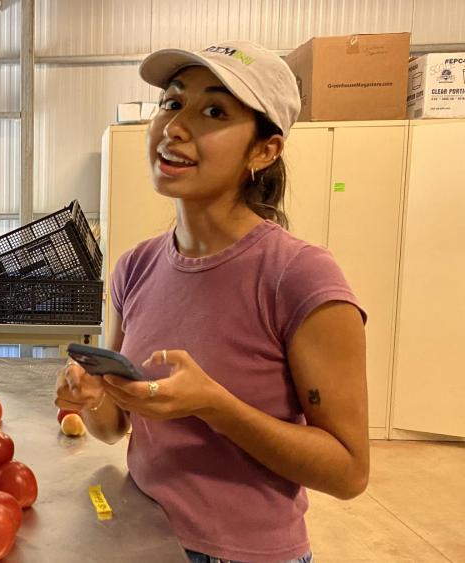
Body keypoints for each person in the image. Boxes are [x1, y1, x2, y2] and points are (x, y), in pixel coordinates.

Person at [56, 41, 368, 563]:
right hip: (143, 537)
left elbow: (349, 471)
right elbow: (114, 427)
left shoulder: (300, 276)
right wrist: (88, 394)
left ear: (264, 150)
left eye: (214, 111)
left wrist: (214, 405)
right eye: (173, 103)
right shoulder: (135, 268)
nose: (176, 127)